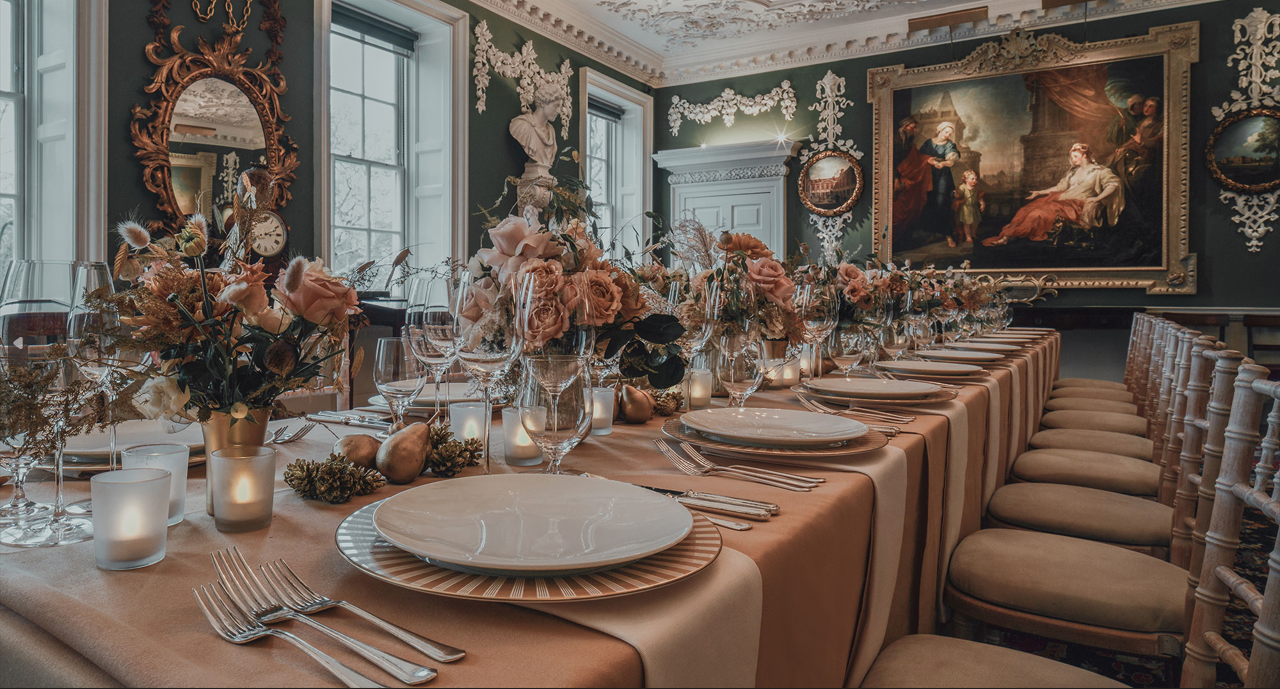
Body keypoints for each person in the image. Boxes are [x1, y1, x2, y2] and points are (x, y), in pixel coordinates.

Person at [983, 143, 1124, 246]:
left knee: (1037, 214)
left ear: (1085, 155)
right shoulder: (1073, 172)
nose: (1073, 159)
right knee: (1025, 210)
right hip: (1061, 200)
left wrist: (1097, 198)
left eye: (1075, 156)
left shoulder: (1100, 171)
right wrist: (1039, 192)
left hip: (1076, 206)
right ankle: (1009, 236)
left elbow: (1113, 184)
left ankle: (1010, 237)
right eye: (1072, 157)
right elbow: (1059, 187)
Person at [918, 122, 960, 239]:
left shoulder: (949, 144)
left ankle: (947, 234)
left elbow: (952, 160)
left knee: (942, 202)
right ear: (940, 130)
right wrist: (929, 161)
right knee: (929, 201)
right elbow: (919, 157)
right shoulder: (928, 143)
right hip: (928, 175)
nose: (948, 135)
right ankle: (932, 233)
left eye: (950, 133)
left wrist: (943, 163)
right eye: (946, 132)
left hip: (943, 175)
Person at [509, 85, 564, 174]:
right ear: (543, 102)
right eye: (556, 105)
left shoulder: (551, 131)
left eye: (560, 107)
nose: (558, 111)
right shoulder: (522, 125)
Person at [950, 169, 985, 247]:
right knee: (967, 223)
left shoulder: (976, 188)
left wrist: (982, 203)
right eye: (972, 179)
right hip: (966, 209)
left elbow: (979, 197)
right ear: (966, 179)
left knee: (975, 222)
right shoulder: (962, 187)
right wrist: (956, 195)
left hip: (974, 208)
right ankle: (968, 236)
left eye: (975, 179)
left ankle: (973, 234)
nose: (974, 181)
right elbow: (959, 196)